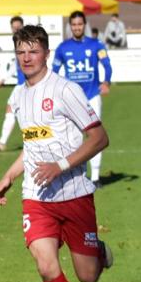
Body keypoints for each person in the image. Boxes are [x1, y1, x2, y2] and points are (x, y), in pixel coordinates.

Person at [0, 24, 114, 282]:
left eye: (33, 50)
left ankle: (98, 252)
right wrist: (9, 175)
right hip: (37, 196)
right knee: (46, 265)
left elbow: (99, 138)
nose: (27, 57)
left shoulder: (65, 90)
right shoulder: (18, 95)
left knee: (88, 276)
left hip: (74, 192)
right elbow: (31, 148)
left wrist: (60, 166)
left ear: (46, 53)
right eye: (21, 51)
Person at [52, 11, 113, 185]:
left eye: (80, 24)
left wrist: (107, 81)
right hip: (72, 99)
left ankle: (95, 177)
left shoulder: (96, 45)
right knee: (73, 138)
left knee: (96, 137)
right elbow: (54, 72)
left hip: (93, 96)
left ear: (84, 25)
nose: (77, 27)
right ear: (70, 26)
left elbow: (107, 65)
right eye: (74, 24)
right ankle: (77, 176)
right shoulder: (63, 48)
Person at [0, 16, 26, 152]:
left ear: (23, 27)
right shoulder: (18, 43)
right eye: (14, 27)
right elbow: (15, 66)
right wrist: (2, 80)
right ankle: (2, 141)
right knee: (14, 110)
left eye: (18, 27)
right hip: (22, 84)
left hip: (26, 85)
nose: (16, 29)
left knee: (18, 112)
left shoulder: (26, 43)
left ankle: (3, 142)